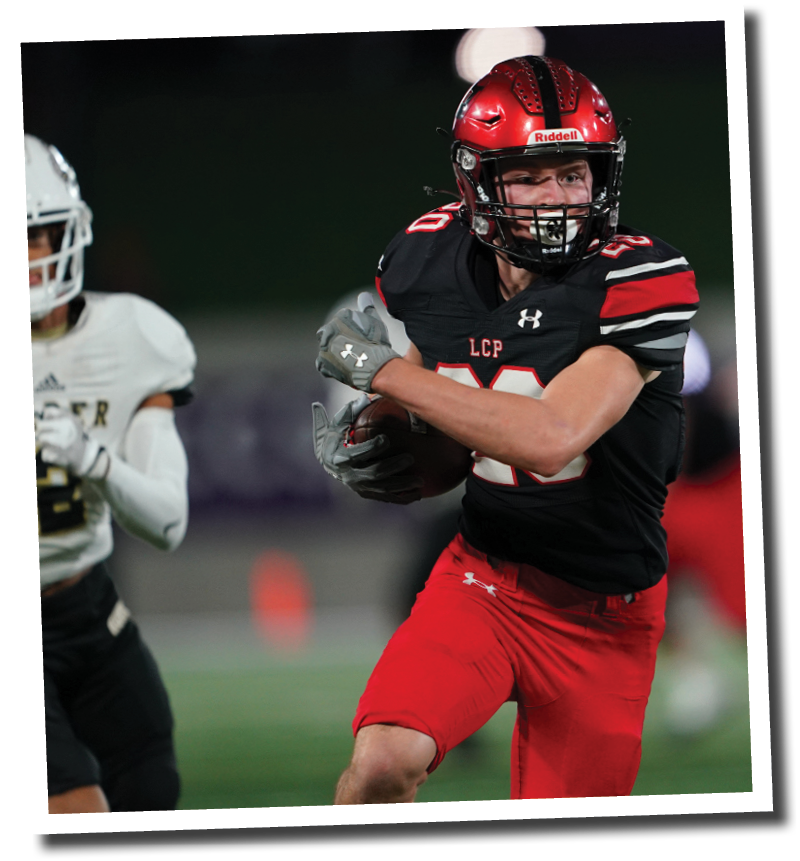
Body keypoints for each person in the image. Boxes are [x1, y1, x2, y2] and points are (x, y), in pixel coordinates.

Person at [312, 56, 700, 803]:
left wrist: (382, 373)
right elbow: (445, 406)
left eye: (574, 174)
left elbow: (553, 434)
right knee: (379, 766)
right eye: (530, 176)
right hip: (484, 579)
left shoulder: (638, 276)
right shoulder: (428, 258)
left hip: (606, 615)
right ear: (478, 184)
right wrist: (390, 432)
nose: (557, 198)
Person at [28, 134, 196, 813]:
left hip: (88, 603)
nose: (32, 258)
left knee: (151, 779)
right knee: (77, 808)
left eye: (42, 234)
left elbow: (167, 521)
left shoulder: (133, 336)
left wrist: (91, 459)